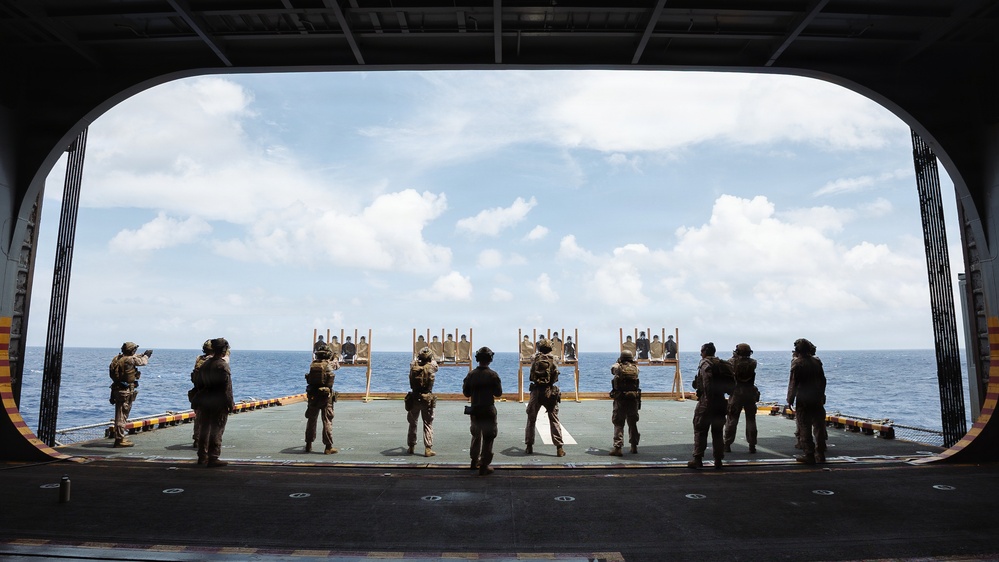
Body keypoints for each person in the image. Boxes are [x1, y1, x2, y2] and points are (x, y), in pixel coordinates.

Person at [687, 342, 733, 469]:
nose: (701, 354)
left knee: (700, 429)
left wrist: (707, 399)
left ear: (705, 352)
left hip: (707, 402)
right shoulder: (722, 364)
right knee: (717, 432)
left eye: (702, 351)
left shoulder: (705, 364)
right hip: (720, 400)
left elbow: (707, 382)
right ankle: (718, 460)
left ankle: (697, 459)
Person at [194, 338, 235, 467]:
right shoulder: (222, 366)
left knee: (204, 428)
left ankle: (202, 456)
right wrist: (230, 403)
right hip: (218, 402)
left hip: (205, 400)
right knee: (217, 429)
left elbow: (198, 384)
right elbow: (226, 388)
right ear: (224, 350)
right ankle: (213, 457)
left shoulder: (205, 364)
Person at [463, 346, 503, 476]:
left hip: (475, 409)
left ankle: (474, 461)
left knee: (476, 435)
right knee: (488, 437)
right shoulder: (493, 375)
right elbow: (498, 394)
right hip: (488, 410)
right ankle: (484, 465)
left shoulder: (471, 375)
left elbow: (466, 392)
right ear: (490, 359)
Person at [787, 338, 828, 464]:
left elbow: (793, 383)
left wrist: (790, 399)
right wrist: (822, 395)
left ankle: (809, 454)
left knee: (804, 427)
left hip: (804, 400)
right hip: (817, 398)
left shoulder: (797, 363)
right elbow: (823, 380)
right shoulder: (817, 362)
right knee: (819, 427)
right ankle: (820, 453)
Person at [524, 338, 564, 457]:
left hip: (536, 391)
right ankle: (559, 448)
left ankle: (529, 446)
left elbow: (531, 374)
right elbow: (555, 376)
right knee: (554, 419)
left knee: (531, 419)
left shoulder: (534, 358)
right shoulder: (555, 359)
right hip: (549, 391)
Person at [108, 342, 153, 448]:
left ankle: (120, 437)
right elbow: (142, 362)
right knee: (121, 416)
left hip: (117, 389)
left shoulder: (118, 358)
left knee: (121, 415)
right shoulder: (130, 360)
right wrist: (146, 356)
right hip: (125, 391)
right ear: (131, 351)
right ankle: (119, 440)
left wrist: (141, 354)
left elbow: (133, 357)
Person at [724, 343, 760, 454]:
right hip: (749, 393)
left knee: (732, 420)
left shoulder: (732, 362)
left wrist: (735, 355)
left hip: (736, 393)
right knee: (751, 420)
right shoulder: (753, 363)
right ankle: (752, 444)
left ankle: (727, 444)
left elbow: (731, 365)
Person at [304, 345, 339, 454]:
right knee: (327, 421)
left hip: (313, 395)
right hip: (325, 396)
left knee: (311, 420)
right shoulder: (329, 365)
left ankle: (308, 444)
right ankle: (328, 447)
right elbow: (337, 366)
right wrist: (336, 358)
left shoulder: (313, 364)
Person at [406, 347, 438, 457]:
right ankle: (428, 449)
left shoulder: (413, 366)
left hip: (414, 397)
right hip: (427, 398)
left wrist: (417, 357)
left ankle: (411, 447)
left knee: (412, 423)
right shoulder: (432, 367)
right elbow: (434, 363)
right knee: (428, 424)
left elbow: (412, 362)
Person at [609, 349, 641, 456]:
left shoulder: (618, 367)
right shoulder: (636, 368)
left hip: (621, 398)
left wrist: (618, 362)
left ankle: (618, 448)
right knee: (632, 423)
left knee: (618, 423)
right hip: (633, 398)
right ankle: (634, 446)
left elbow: (612, 369)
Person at [189, 339, 212, 450]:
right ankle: (205, 441)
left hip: (197, 392)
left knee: (198, 417)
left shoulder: (199, 359)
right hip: (209, 393)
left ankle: (197, 439)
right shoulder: (213, 360)